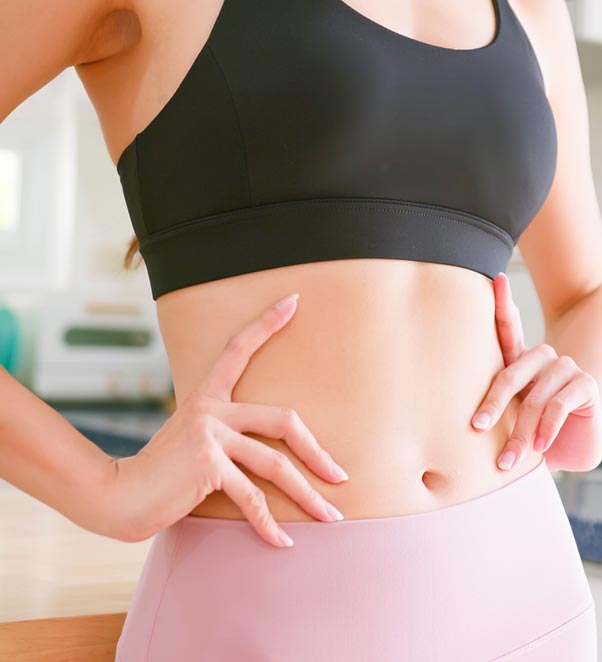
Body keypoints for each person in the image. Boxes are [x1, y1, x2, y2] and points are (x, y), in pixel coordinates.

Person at [2, 0, 601, 659]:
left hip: (529, 584)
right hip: (273, 602)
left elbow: (587, 294)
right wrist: (104, 490)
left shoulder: (534, 12)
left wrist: (582, 386)